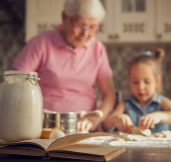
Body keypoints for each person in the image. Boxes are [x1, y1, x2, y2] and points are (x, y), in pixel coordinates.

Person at [12, 0, 116, 133]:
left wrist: (92, 122)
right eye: (80, 25)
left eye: (93, 27)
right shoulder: (40, 43)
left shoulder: (98, 48)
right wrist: (33, 116)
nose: (85, 34)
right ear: (64, 17)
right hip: (44, 126)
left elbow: (109, 95)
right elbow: (16, 83)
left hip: (84, 129)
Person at [102, 49, 171, 133]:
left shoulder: (161, 102)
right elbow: (105, 125)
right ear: (129, 81)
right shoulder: (126, 104)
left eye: (147, 82)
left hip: (159, 146)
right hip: (130, 146)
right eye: (135, 82)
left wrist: (160, 116)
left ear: (157, 81)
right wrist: (116, 119)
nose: (140, 87)